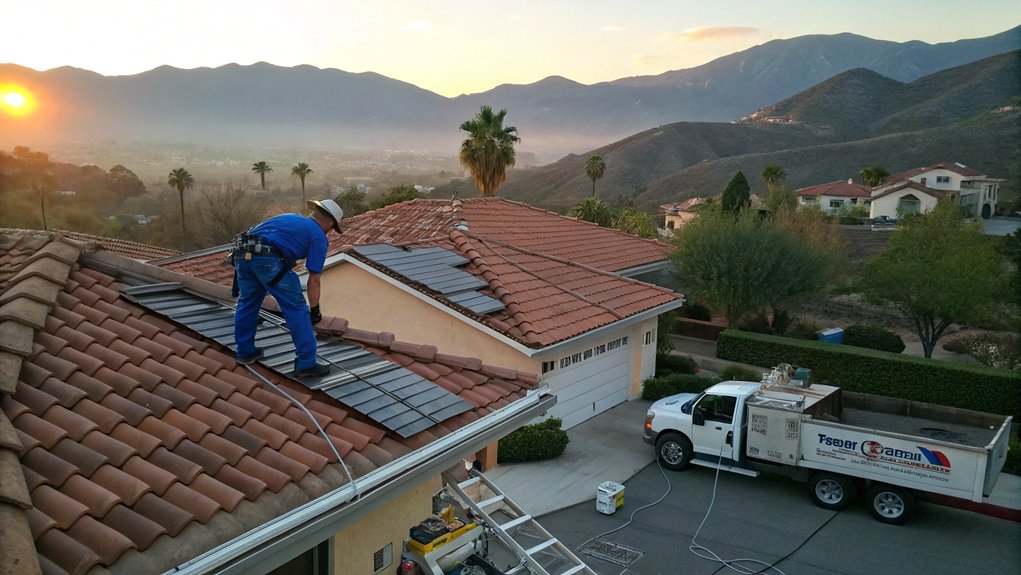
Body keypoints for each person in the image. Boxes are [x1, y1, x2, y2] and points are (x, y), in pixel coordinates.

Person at [232, 199, 343, 378]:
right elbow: (314, 279)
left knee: (248, 302)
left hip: (242, 255)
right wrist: (314, 310)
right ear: (330, 224)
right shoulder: (318, 236)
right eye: (332, 229)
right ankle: (306, 363)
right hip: (269, 261)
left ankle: (245, 352)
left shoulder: (289, 218)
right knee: (297, 309)